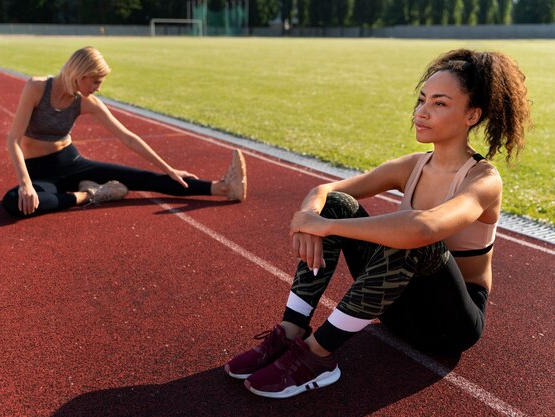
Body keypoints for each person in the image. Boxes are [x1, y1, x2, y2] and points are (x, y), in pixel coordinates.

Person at [224, 49, 531, 399]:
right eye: (421, 99)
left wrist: (327, 228)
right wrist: (311, 219)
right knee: (337, 206)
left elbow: (424, 229)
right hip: (394, 310)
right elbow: (326, 190)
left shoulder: (483, 180)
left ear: (472, 115)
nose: (422, 112)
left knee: (415, 238)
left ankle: (317, 355)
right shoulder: (412, 166)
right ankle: (291, 330)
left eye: (440, 103)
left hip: (448, 325)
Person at [2, 46, 246, 218]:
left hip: (71, 162)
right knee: (15, 202)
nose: (97, 89)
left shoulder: (86, 102)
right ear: (80, 74)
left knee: (143, 178)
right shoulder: (36, 88)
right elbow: (13, 140)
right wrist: (26, 184)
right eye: (95, 82)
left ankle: (222, 187)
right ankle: (88, 194)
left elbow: (128, 137)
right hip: (38, 172)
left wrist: (168, 169)